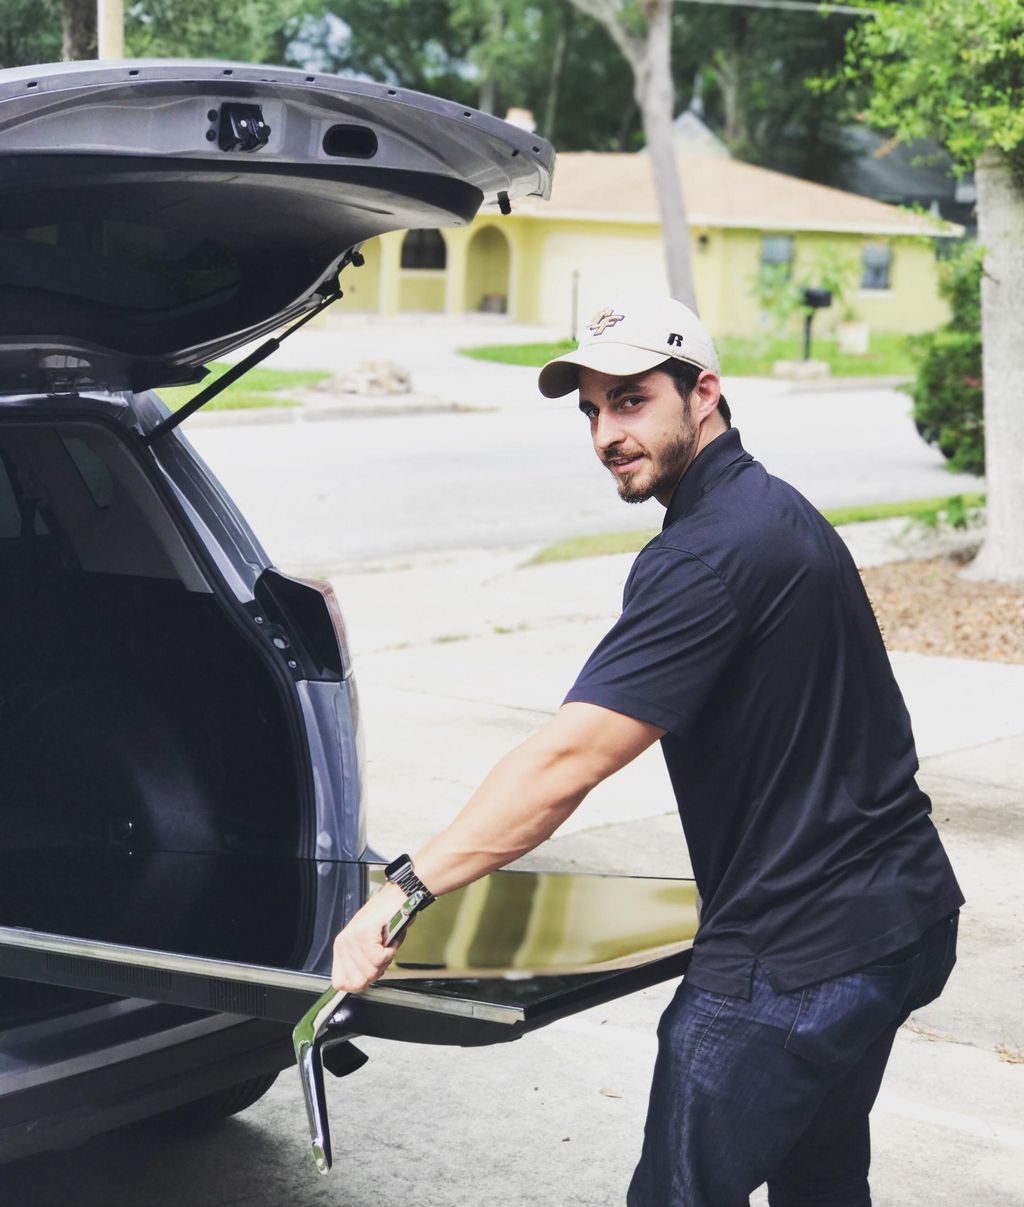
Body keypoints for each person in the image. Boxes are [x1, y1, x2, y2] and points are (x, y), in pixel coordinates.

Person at [330, 295, 964, 1207]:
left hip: (797, 952)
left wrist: (404, 890)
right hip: (901, 917)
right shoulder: (778, 511)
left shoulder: (705, 556)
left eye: (630, 400)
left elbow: (570, 760)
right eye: (591, 410)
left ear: (703, 393)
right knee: (821, 1176)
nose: (605, 435)